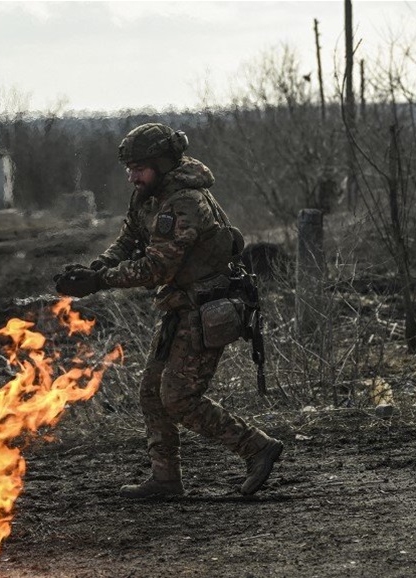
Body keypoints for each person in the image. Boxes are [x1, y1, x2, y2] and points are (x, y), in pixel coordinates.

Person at [53, 122, 283, 498]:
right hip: (180, 306)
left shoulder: (186, 203)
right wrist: (94, 269)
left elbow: (157, 267)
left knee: (178, 398)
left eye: (138, 168)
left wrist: (101, 282)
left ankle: (257, 447)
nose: (131, 176)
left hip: (206, 308)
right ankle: (165, 479)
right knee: (150, 392)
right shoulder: (149, 195)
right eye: (129, 168)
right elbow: (128, 239)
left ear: (161, 164)